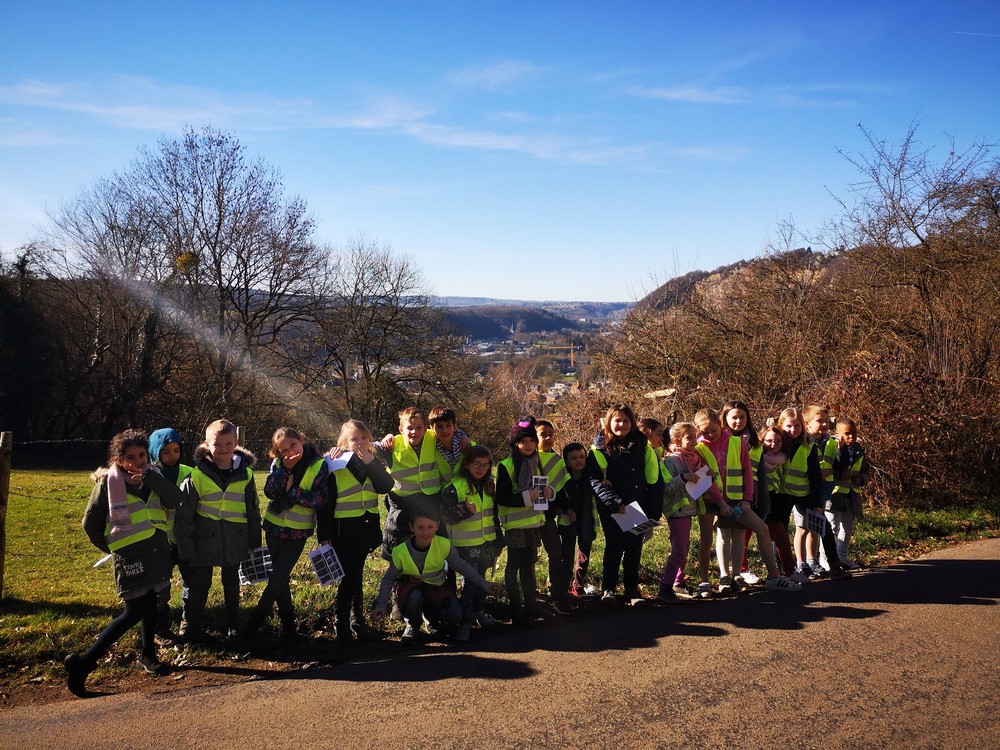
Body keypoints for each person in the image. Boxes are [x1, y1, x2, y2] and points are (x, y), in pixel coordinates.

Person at [65, 429, 184, 696]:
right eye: (130, 457)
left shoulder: (153, 476)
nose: (138, 461)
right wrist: (115, 549)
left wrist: (154, 479)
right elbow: (90, 524)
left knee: (153, 603)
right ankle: (84, 663)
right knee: (133, 611)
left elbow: (175, 499)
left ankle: (147, 655)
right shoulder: (108, 483)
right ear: (119, 459)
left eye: (142, 455)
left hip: (156, 551)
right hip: (131, 557)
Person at [694, 409, 802, 595]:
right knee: (707, 538)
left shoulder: (736, 443)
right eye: (705, 432)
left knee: (761, 528)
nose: (710, 435)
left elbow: (747, 473)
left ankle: (773, 577)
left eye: (713, 430)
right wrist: (720, 502)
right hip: (710, 499)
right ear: (698, 431)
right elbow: (705, 477)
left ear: (720, 425)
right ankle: (705, 581)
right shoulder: (699, 448)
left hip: (736, 499)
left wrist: (747, 499)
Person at [175, 419, 261, 642]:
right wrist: (186, 547)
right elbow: (184, 515)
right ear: (207, 444)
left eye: (228, 443)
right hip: (204, 540)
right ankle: (193, 626)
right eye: (217, 444)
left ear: (236, 443)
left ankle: (233, 624)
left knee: (231, 584)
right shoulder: (196, 476)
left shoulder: (247, 474)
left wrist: (254, 541)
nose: (223, 449)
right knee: (199, 585)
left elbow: (253, 509)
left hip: (235, 540)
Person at [243, 427, 329, 644]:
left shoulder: (319, 465)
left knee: (278, 577)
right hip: (274, 528)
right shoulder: (279, 465)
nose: (290, 451)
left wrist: (292, 492)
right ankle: (289, 628)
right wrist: (284, 470)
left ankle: (254, 623)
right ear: (278, 453)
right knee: (281, 579)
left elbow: (320, 500)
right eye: (283, 450)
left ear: (301, 439)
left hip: (298, 532)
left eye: (293, 445)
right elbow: (270, 493)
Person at [373, 502, 498, 645]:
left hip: (436, 588)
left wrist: (484, 584)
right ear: (411, 527)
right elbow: (389, 578)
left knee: (455, 615)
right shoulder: (400, 551)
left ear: (437, 526)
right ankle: (412, 625)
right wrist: (381, 605)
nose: (426, 532)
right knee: (413, 597)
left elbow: (462, 566)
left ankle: (430, 619)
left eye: (430, 527)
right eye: (420, 527)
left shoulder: (444, 544)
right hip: (412, 589)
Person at [319, 419, 395, 642]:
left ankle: (356, 621)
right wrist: (325, 536)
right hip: (343, 529)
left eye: (364, 438)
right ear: (343, 442)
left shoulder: (372, 462)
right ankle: (342, 622)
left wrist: (372, 463)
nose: (360, 443)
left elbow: (386, 486)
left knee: (356, 573)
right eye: (354, 439)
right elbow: (326, 505)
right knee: (350, 576)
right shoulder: (334, 465)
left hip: (365, 527)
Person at [588, 403, 662, 606]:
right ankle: (608, 589)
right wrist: (613, 502)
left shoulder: (642, 445)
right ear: (609, 422)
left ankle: (631, 589)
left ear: (632, 422)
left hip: (638, 506)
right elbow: (594, 479)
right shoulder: (599, 447)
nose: (621, 424)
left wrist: (654, 512)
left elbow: (654, 478)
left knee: (634, 547)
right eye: (617, 420)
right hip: (613, 508)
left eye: (626, 420)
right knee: (614, 546)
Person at [777, 407, 849, 581]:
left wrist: (817, 503)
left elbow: (815, 476)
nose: (793, 430)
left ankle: (834, 566)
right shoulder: (777, 443)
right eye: (789, 426)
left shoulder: (808, 446)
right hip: (782, 494)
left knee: (822, 526)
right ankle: (782, 569)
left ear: (803, 426)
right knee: (779, 531)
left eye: (797, 426)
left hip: (805, 493)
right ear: (781, 426)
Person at [494, 417, 552, 625]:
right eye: (523, 441)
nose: (528, 445)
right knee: (514, 566)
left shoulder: (537, 463)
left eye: (531, 441)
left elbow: (542, 491)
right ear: (515, 444)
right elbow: (502, 497)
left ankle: (531, 606)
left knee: (529, 566)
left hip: (533, 524)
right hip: (516, 525)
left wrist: (548, 493)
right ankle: (515, 608)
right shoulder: (506, 466)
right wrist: (529, 497)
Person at [441, 446, 500, 640]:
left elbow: (492, 514)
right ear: (467, 464)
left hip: (486, 542)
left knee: (481, 580)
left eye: (485, 465)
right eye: (477, 464)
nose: (481, 468)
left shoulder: (489, 485)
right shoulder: (455, 485)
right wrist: (464, 510)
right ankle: (464, 623)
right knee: (471, 583)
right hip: (465, 544)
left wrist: (498, 539)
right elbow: (446, 516)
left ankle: (477, 612)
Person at [377, 407, 444, 560]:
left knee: (430, 540)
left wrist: (465, 439)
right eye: (409, 428)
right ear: (401, 429)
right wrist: (384, 439)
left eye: (419, 427)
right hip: (401, 503)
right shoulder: (394, 443)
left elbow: (453, 436)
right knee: (399, 542)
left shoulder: (433, 437)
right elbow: (371, 447)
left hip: (430, 498)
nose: (414, 432)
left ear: (426, 428)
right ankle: (399, 577)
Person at [147, 427, 193, 640]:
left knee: (190, 581)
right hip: (158, 540)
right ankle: (161, 627)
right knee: (160, 586)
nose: (172, 456)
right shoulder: (149, 476)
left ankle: (188, 621)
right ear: (155, 452)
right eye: (166, 452)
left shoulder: (189, 472)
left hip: (184, 538)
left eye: (176, 450)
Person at [720, 401, 768, 586]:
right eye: (734, 417)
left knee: (740, 534)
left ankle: (738, 573)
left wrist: (755, 498)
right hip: (723, 497)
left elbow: (757, 472)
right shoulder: (721, 438)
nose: (738, 421)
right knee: (725, 535)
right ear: (725, 419)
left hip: (746, 495)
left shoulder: (754, 443)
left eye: (742, 417)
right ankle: (726, 574)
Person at [820, 417, 869, 571]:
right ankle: (825, 558)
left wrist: (860, 478)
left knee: (847, 527)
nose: (851, 436)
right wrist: (839, 474)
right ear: (837, 433)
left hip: (851, 493)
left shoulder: (858, 449)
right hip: (834, 493)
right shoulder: (831, 447)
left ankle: (842, 556)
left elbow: (865, 470)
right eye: (847, 433)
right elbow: (825, 468)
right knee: (831, 526)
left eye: (854, 433)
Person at [535, 419, 572, 614]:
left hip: (548, 515)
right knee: (530, 557)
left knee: (555, 553)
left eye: (551, 434)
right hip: (528, 516)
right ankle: (531, 595)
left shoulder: (557, 460)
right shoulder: (528, 458)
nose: (548, 438)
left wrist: (562, 507)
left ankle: (556, 591)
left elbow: (562, 488)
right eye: (543, 434)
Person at [758, 424, 803, 581]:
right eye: (769, 441)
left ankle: (789, 571)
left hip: (778, 500)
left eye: (777, 441)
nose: (774, 444)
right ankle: (742, 571)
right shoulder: (757, 457)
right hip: (760, 501)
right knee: (747, 536)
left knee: (781, 537)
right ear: (762, 441)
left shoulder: (784, 458)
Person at [557, 442, 600, 597]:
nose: (579, 461)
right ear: (567, 461)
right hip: (568, 522)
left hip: (587, 520)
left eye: (582, 457)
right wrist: (566, 510)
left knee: (584, 557)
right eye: (574, 458)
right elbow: (558, 499)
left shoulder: (590, 477)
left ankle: (578, 586)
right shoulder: (563, 478)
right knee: (567, 557)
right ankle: (563, 589)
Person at [803, 404, 837, 574]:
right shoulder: (804, 441)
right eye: (819, 421)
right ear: (807, 423)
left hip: (825, 487)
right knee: (808, 526)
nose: (824, 424)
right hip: (807, 488)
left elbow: (835, 463)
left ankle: (815, 561)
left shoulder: (830, 441)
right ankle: (807, 562)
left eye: (826, 421)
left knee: (817, 525)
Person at [428, 405, 473, 485]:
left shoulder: (467, 445)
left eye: (448, 426)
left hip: (466, 490)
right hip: (444, 491)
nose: (444, 430)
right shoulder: (431, 443)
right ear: (432, 428)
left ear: (455, 426)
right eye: (439, 427)